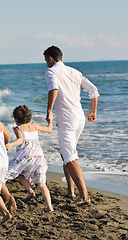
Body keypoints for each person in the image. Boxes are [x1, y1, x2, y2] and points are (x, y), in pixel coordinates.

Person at [43, 46, 99, 205]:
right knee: (66, 154)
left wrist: (49, 111)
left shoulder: (51, 71)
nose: (46, 63)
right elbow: (93, 90)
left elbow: (53, 88)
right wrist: (93, 111)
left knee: (70, 158)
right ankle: (71, 191)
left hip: (67, 120)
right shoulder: (75, 72)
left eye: (46, 59)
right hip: (79, 118)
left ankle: (84, 196)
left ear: (50, 58)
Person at [5, 105, 54, 211]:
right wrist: (50, 121)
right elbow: (49, 129)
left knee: (11, 174)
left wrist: (10, 144)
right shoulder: (34, 126)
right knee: (42, 185)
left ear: (16, 119)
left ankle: (29, 191)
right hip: (39, 159)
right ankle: (50, 207)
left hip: (25, 158)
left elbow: (20, 140)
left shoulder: (18, 128)